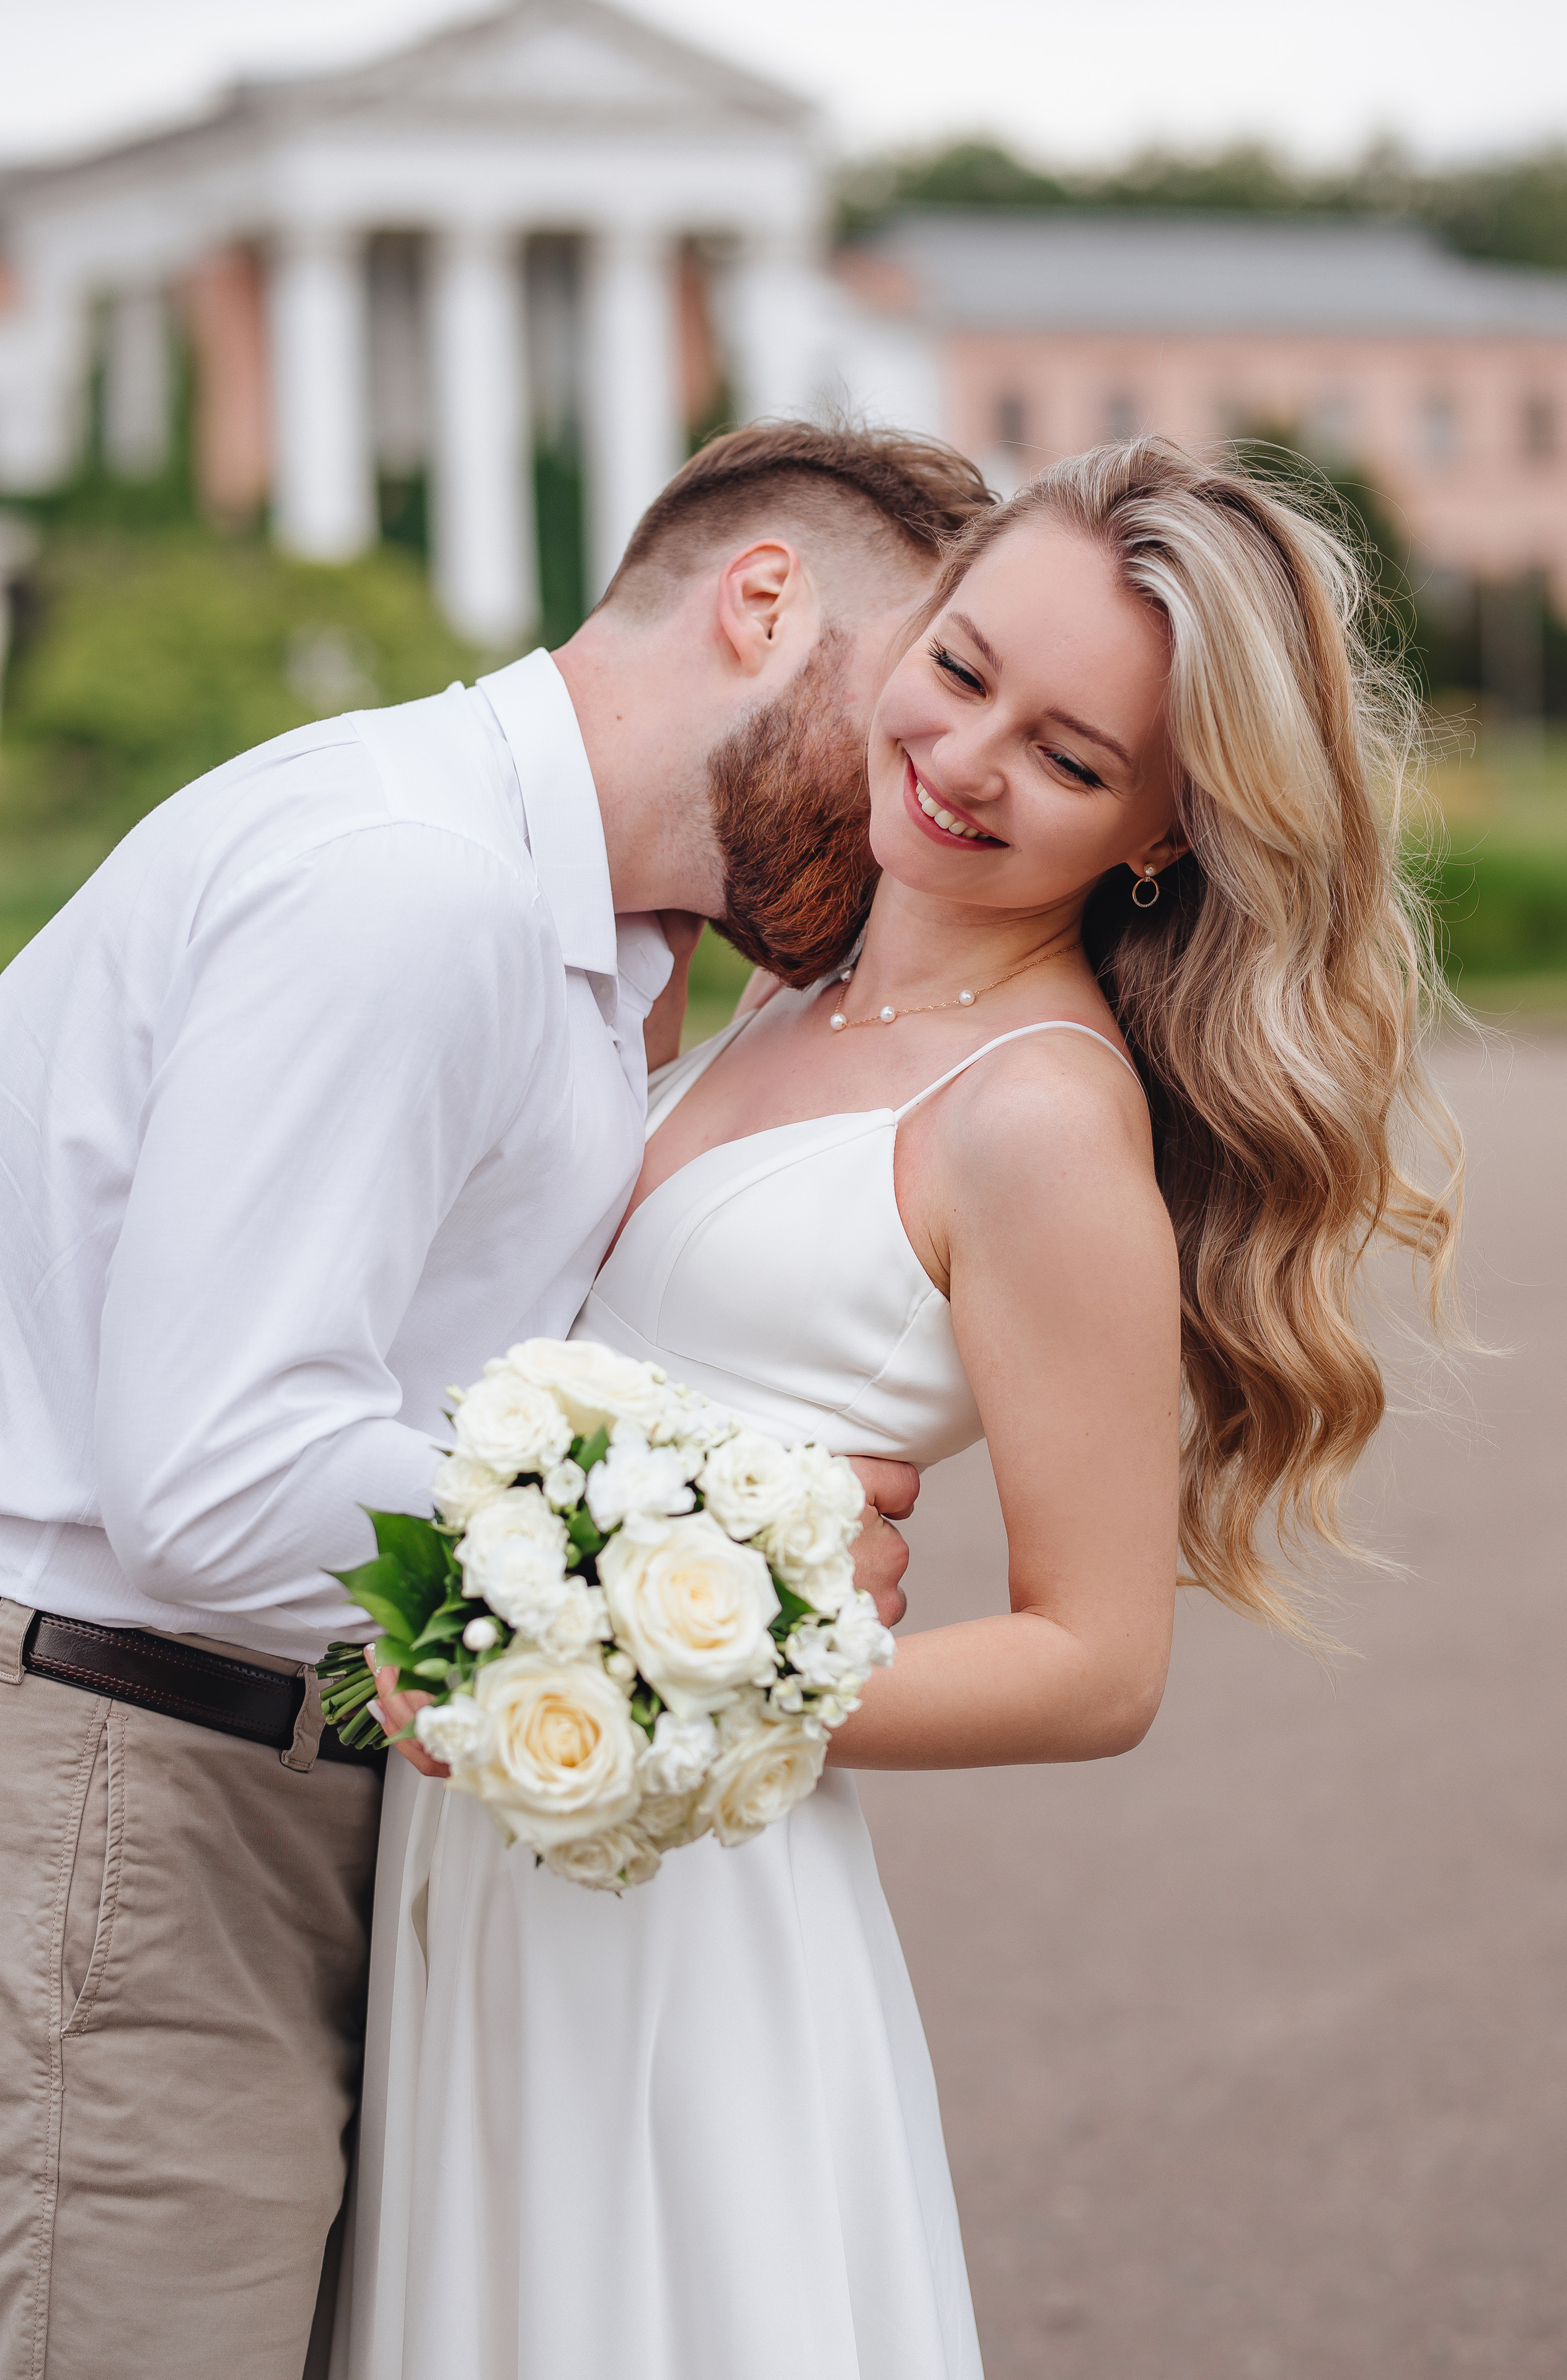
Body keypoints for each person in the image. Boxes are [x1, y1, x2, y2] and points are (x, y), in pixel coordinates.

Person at [348, 434, 1463, 2380]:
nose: (964, 763)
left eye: (1072, 758)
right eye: (960, 670)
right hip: (489, 1840)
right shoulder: (778, 981)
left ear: (1162, 835)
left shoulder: (1036, 1117)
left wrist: (639, 1668)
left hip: (685, 1896)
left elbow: (1096, 1663)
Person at [0, 420, 996, 2380]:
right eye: (914, 707)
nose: (917, 806)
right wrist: (729, 1544)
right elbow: (219, 1474)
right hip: (128, 1800)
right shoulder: (414, 887)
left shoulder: (603, 950)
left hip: (267, 1792)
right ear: (764, 600)